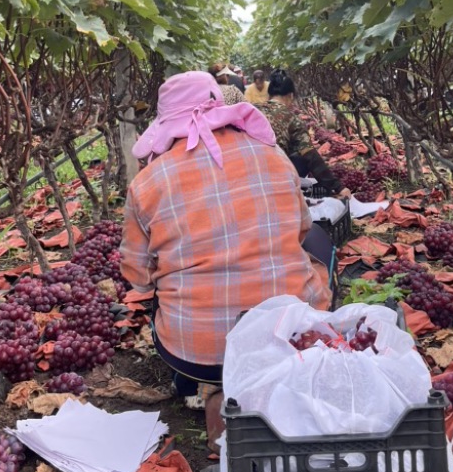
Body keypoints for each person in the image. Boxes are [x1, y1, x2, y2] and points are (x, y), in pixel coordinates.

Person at [120, 71, 331, 448]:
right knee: (319, 244)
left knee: (164, 298)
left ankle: (200, 386)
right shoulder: (273, 154)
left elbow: (137, 278)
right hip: (289, 336)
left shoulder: (146, 182)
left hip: (195, 355)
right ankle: (284, 376)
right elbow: (300, 230)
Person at [263, 70, 351, 197]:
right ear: (291, 96)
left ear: (269, 95)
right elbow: (309, 155)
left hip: (245, 170)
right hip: (274, 175)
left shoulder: (252, 109)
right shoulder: (291, 117)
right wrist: (338, 187)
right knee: (301, 156)